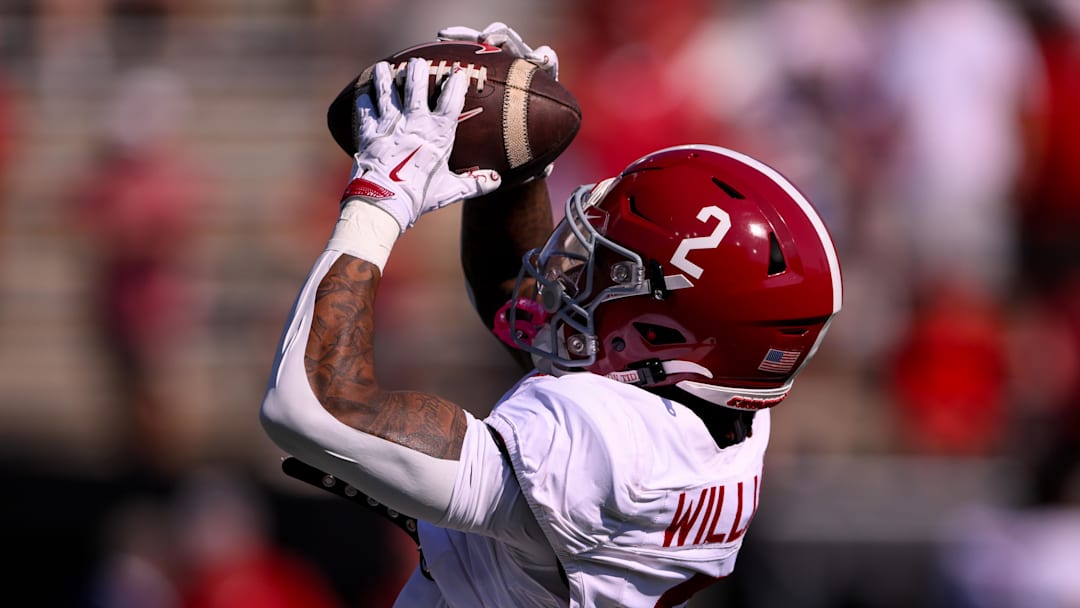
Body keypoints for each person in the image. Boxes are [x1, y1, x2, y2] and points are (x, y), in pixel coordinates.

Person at [260, 23, 843, 607]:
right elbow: (520, 305)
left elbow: (309, 409)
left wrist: (379, 195)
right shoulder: (715, 404)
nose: (565, 274)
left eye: (606, 269)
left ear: (659, 332)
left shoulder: (609, 450)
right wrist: (519, 159)